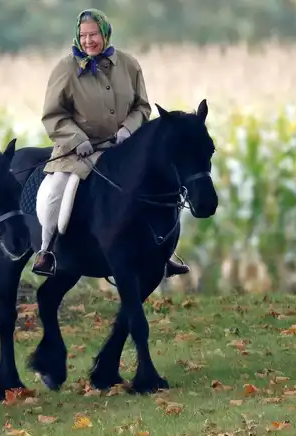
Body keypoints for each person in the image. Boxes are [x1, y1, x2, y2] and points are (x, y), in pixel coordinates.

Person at [32, 8, 190, 278]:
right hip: (77, 152)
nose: (88, 41)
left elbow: (142, 106)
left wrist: (129, 128)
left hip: (123, 150)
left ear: (105, 34)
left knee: (159, 186)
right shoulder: (65, 69)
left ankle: (163, 253)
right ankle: (47, 250)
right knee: (56, 191)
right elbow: (53, 115)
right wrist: (76, 138)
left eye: (93, 34)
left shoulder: (129, 65)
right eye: (83, 36)